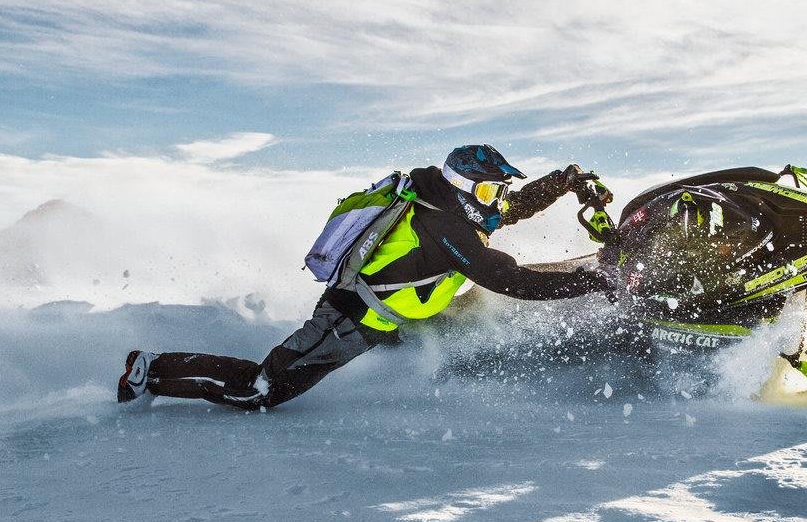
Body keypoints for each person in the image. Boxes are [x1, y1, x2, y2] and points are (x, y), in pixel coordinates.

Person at [117, 144, 612, 410]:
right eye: (488, 193)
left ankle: (155, 367)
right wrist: (596, 282)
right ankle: (152, 369)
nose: (497, 203)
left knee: (270, 384)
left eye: (496, 193)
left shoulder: (447, 207)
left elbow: (515, 209)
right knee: (261, 390)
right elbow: (513, 282)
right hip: (349, 320)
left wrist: (563, 181)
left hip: (378, 318)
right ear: (463, 189)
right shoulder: (445, 227)